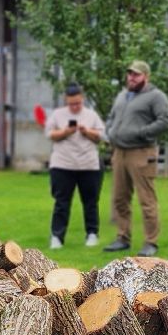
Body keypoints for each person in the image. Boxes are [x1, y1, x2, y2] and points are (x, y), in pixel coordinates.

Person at [102, 60, 168, 257]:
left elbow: (164, 122)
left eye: (136, 74)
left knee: (146, 199)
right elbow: (112, 117)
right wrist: (110, 130)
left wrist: (141, 133)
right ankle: (122, 237)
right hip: (119, 153)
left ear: (145, 77)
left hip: (142, 153)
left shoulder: (156, 96)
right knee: (120, 198)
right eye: (130, 74)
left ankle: (151, 242)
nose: (131, 77)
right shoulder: (123, 95)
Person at [44, 84, 106, 250]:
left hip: (89, 165)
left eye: (78, 103)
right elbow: (50, 134)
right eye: (72, 104)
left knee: (91, 202)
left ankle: (92, 234)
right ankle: (57, 237)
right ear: (66, 100)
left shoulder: (91, 115)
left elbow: (101, 136)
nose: (75, 106)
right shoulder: (57, 115)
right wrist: (66, 132)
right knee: (61, 202)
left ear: (82, 99)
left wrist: (87, 132)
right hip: (63, 165)